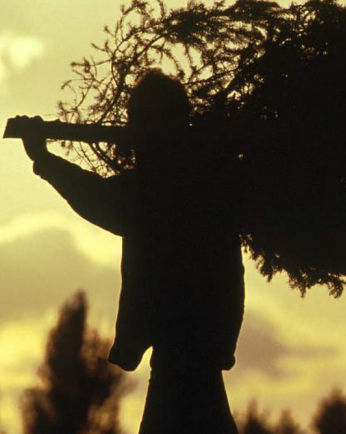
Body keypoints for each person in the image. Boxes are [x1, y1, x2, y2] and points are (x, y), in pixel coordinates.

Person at [21, 70, 244, 433]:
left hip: (182, 353)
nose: (133, 131)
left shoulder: (171, 187)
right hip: (198, 351)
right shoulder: (211, 182)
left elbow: (101, 199)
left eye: (139, 120)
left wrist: (44, 160)